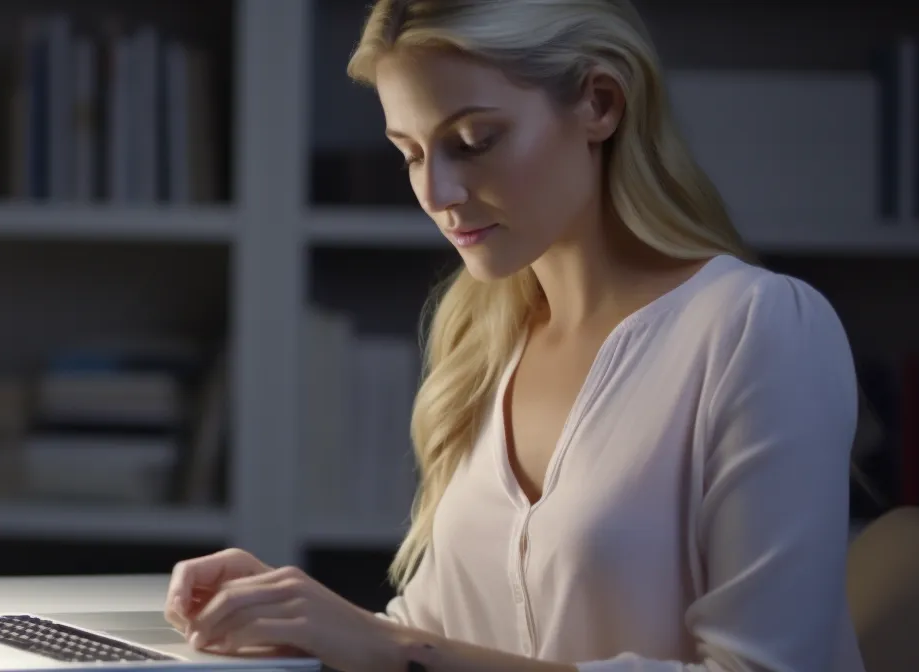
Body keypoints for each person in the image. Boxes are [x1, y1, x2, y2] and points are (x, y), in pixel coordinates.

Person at [161, 1, 866, 670]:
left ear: (600, 103)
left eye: (472, 142)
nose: (435, 192)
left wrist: (390, 651)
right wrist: (297, 616)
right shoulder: (483, 340)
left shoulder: (758, 330)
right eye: (409, 152)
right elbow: (442, 640)